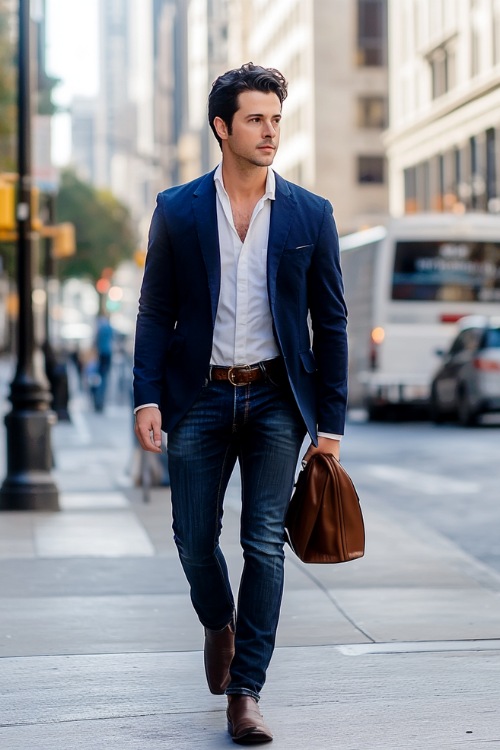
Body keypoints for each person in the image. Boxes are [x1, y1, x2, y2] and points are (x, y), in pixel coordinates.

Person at [133, 62, 348, 744]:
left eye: (277, 119)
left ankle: (246, 691)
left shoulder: (312, 213)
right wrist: (146, 398)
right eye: (256, 118)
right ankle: (218, 623)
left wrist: (331, 424)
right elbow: (154, 309)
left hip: (277, 400)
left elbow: (332, 322)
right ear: (222, 127)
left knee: (264, 541)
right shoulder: (178, 208)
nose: (270, 131)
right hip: (196, 397)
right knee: (194, 541)